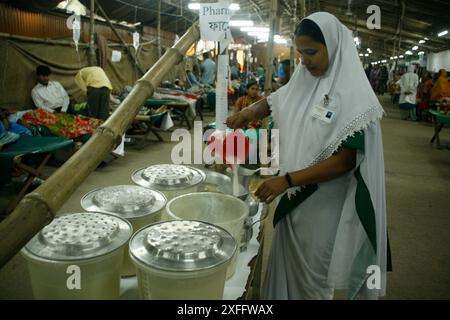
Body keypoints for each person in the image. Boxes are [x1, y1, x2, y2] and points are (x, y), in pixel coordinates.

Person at [226, 12, 389, 300]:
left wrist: (287, 180)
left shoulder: (355, 97)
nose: (304, 60)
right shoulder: (306, 78)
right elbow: (279, 98)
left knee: (313, 279)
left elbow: (345, 160)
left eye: (311, 52)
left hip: (323, 207)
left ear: (334, 46)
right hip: (294, 200)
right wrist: (249, 112)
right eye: (301, 52)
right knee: (286, 270)